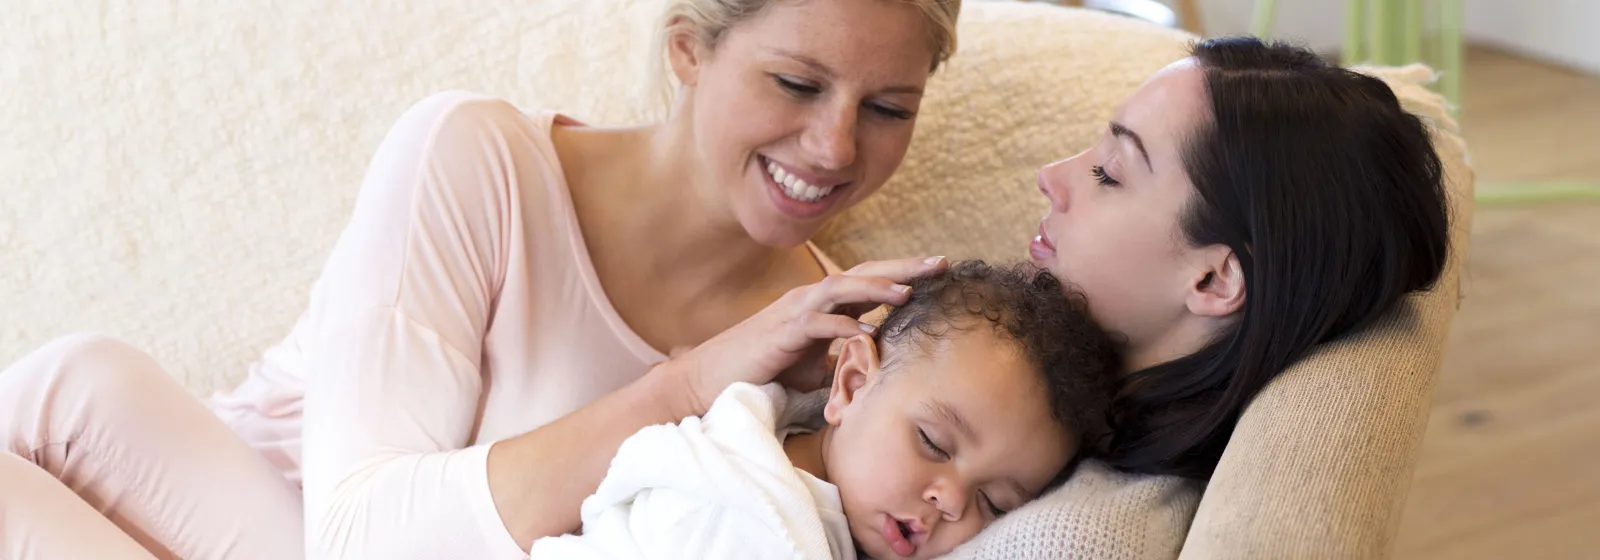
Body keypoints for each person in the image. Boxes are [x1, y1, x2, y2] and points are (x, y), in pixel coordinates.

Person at [0, 0, 962, 558]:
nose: (835, 145)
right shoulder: (476, 160)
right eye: (796, 84)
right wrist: (688, 383)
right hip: (188, 507)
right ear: (687, 47)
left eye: (888, 107)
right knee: (76, 383)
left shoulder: (844, 356)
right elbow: (357, 536)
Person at [527, 261, 1118, 560]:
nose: (952, 501)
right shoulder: (738, 518)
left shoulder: (813, 493)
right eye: (933, 443)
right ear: (852, 384)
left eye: (995, 503)